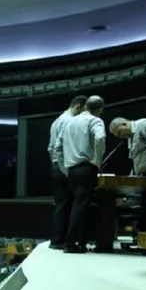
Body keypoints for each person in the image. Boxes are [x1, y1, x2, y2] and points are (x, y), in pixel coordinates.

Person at [54, 96, 106, 253]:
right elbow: (100, 138)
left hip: (71, 170)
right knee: (81, 206)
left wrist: (65, 169)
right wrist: (97, 160)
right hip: (86, 167)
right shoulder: (95, 120)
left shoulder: (69, 121)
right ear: (100, 110)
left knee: (76, 205)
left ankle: (79, 242)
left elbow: (57, 148)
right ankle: (71, 243)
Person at [47, 95, 88, 249]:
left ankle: (57, 240)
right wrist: (66, 169)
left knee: (61, 204)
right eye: (84, 110)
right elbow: (59, 147)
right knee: (68, 205)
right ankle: (62, 241)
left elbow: (50, 148)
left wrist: (56, 164)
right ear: (78, 107)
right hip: (65, 166)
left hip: (56, 166)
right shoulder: (69, 122)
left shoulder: (56, 121)